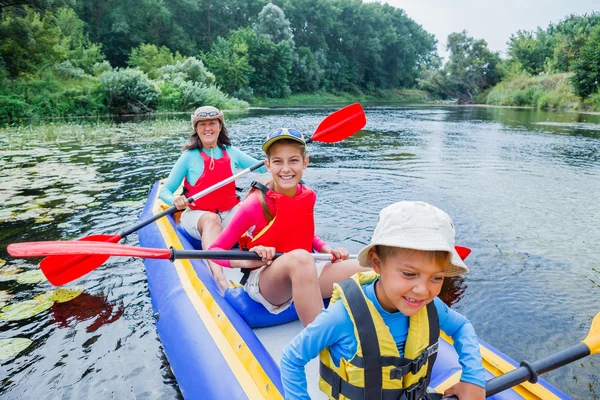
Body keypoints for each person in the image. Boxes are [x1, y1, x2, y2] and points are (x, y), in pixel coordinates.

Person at [280, 201, 487, 400]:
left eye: (436, 277)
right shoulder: (342, 317)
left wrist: (473, 378)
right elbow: (292, 358)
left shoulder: (430, 307)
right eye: (408, 273)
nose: (423, 290)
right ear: (377, 263)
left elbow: (462, 326)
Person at [209, 127, 371, 326]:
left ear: (305, 163)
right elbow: (214, 251)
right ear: (268, 165)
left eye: (293, 160)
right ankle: (321, 345)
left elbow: (305, 232)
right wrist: (247, 261)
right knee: (301, 258)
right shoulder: (254, 205)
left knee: (371, 266)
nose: (286, 169)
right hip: (266, 281)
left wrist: (326, 249)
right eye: (278, 161)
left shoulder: (308, 195)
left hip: (304, 269)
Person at [159, 106, 266, 291]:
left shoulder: (231, 152)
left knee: (255, 212)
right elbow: (165, 191)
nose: (207, 128)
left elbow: (264, 168)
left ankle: (265, 266)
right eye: (202, 125)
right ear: (196, 129)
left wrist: (278, 158)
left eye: (212, 124)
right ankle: (220, 279)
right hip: (198, 216)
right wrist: (175, 201)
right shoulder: (188, 156)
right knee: (212, 219)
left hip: (229, 212)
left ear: (219, 127)